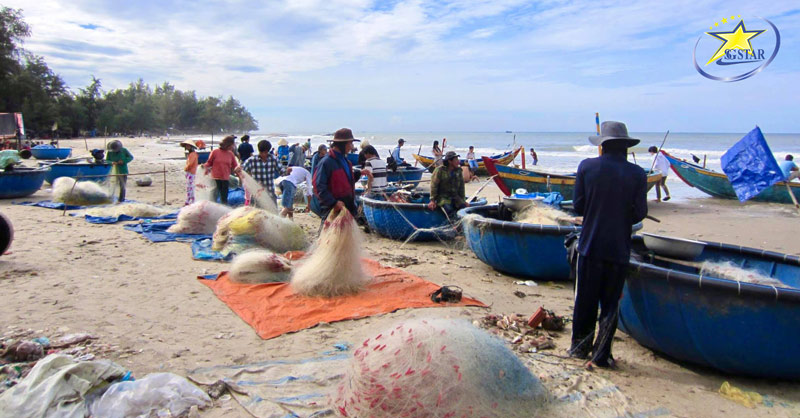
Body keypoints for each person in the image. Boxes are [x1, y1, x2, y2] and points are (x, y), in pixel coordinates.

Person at [569, 121, 647, 370]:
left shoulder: (587, 167)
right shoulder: (637, 174)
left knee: (585, 301)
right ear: (625, 146)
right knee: (610, 304)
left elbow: (578, 206)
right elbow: (640, 213)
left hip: (590, 245)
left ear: (602, 146)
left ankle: (580, 349)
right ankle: (602, 355)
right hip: (619, 248)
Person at [313, 128, 361, 225]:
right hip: (332, 211)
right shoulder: (326, 162)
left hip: (347, 208)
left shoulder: (346, 162)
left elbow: (346, 182)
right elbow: (318, 186)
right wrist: (333, 203)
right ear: (342, 144)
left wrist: (360, 174)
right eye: (350, 143)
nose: (352, 147)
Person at [237, 140, 281, 207]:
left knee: (273, 213)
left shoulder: (274, 159)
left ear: (268, 151)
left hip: (269, 192)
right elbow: (242, 170)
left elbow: (282, 171)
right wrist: (238, 169)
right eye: (261, 152)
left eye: (265, 152)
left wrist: (288, 170)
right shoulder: (252, 160)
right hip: (256, 193)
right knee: (256, 213)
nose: (263, 154)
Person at [427, 151, 469, 217]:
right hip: (443, 198)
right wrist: (432, 200)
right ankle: (453, 224)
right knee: (449, 209)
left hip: (456, 197)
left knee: (464, 209)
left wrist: (463, 200)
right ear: (450, 161)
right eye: (456, 160)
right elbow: (434, 186)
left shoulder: (458, 171)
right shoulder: (439, 170)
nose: (458, 162)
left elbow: (461, 188)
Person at [204, 135, 239, 205]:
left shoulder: (231, 154)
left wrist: (239, 170)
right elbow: (209, 162)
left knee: (224, 196)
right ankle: (212, 209)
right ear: (227, 144)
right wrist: (204, 166)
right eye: (231, 145)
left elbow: (235, 165)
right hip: (215, 177)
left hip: (225, 178)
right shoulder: (215, 152)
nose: (233, 147)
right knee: (214, 195)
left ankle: (223, 209)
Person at [181, 140, 198, 205]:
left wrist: (186, 168)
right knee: (190, 187)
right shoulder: (192, 154)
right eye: (186, 146)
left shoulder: (193, 154)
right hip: (190, 172)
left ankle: (189, 200)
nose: (187, 147)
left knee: (190, 187)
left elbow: (190, 164)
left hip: (191, 172)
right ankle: (191, 200)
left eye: (188, 146)